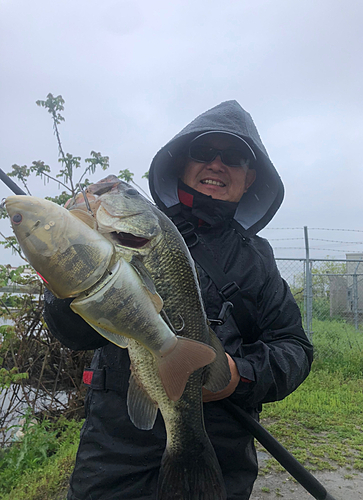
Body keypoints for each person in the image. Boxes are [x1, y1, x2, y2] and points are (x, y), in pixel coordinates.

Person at [43, 100, 313, 500]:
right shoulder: (120, 229)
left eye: (234, 157)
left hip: (219, 456)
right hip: (115, 456)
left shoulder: (258, 260)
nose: (217, 164)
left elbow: (295, 350)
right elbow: (73, 334)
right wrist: (65, 267)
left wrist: (241, 374)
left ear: (250, 177)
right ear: (182, 164)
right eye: (204, 152)